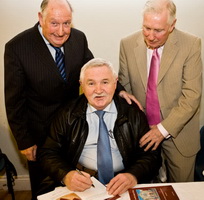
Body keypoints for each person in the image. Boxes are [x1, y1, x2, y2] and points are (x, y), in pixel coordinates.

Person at [4, 0, 139, 199]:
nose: (61, 31)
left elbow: (93, 67)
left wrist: (119, 90)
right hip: (40, 135)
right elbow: (14, 100)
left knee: (76, 189)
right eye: (54, 23)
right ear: (40, 18)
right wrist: (24, 141)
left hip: (73, 129)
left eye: (66, 23)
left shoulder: (78, 38)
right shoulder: (17, 47)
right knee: (46, 191)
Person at [37, 58, 161, 197]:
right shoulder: (67, 114)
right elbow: (47, 152)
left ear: (115, 83)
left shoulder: (133, 114)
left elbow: (151, 155)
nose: (99, 90)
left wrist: (133, 175)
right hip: (83, 183)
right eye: (91, 83)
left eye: (105, 82)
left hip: (124, 182)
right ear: (81, 86)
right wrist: (66, 175)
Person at [118, 0, 202, 183]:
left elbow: (192, 96)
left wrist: (162, 130)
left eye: (158, 30)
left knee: (182, 192)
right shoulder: (127, 44)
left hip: (179, 135)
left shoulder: (191, 45)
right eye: (146, 28)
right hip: (142, 135)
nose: (151, 36)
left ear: (172, 25)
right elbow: (125, 89)